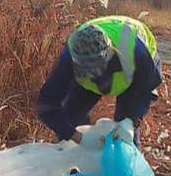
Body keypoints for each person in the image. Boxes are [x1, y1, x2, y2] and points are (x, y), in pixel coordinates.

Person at [37, 14, 162, 146]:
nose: (94, 77)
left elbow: (147, 89)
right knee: (72, 118)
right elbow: (46, 105)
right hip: (88, 78)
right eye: (88, 72)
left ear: (110, 54)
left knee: (124, 135)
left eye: (97, 70)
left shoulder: (137, 53)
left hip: (134, 69)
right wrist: (77, 137)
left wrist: (131, 121)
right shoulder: (71, 56)